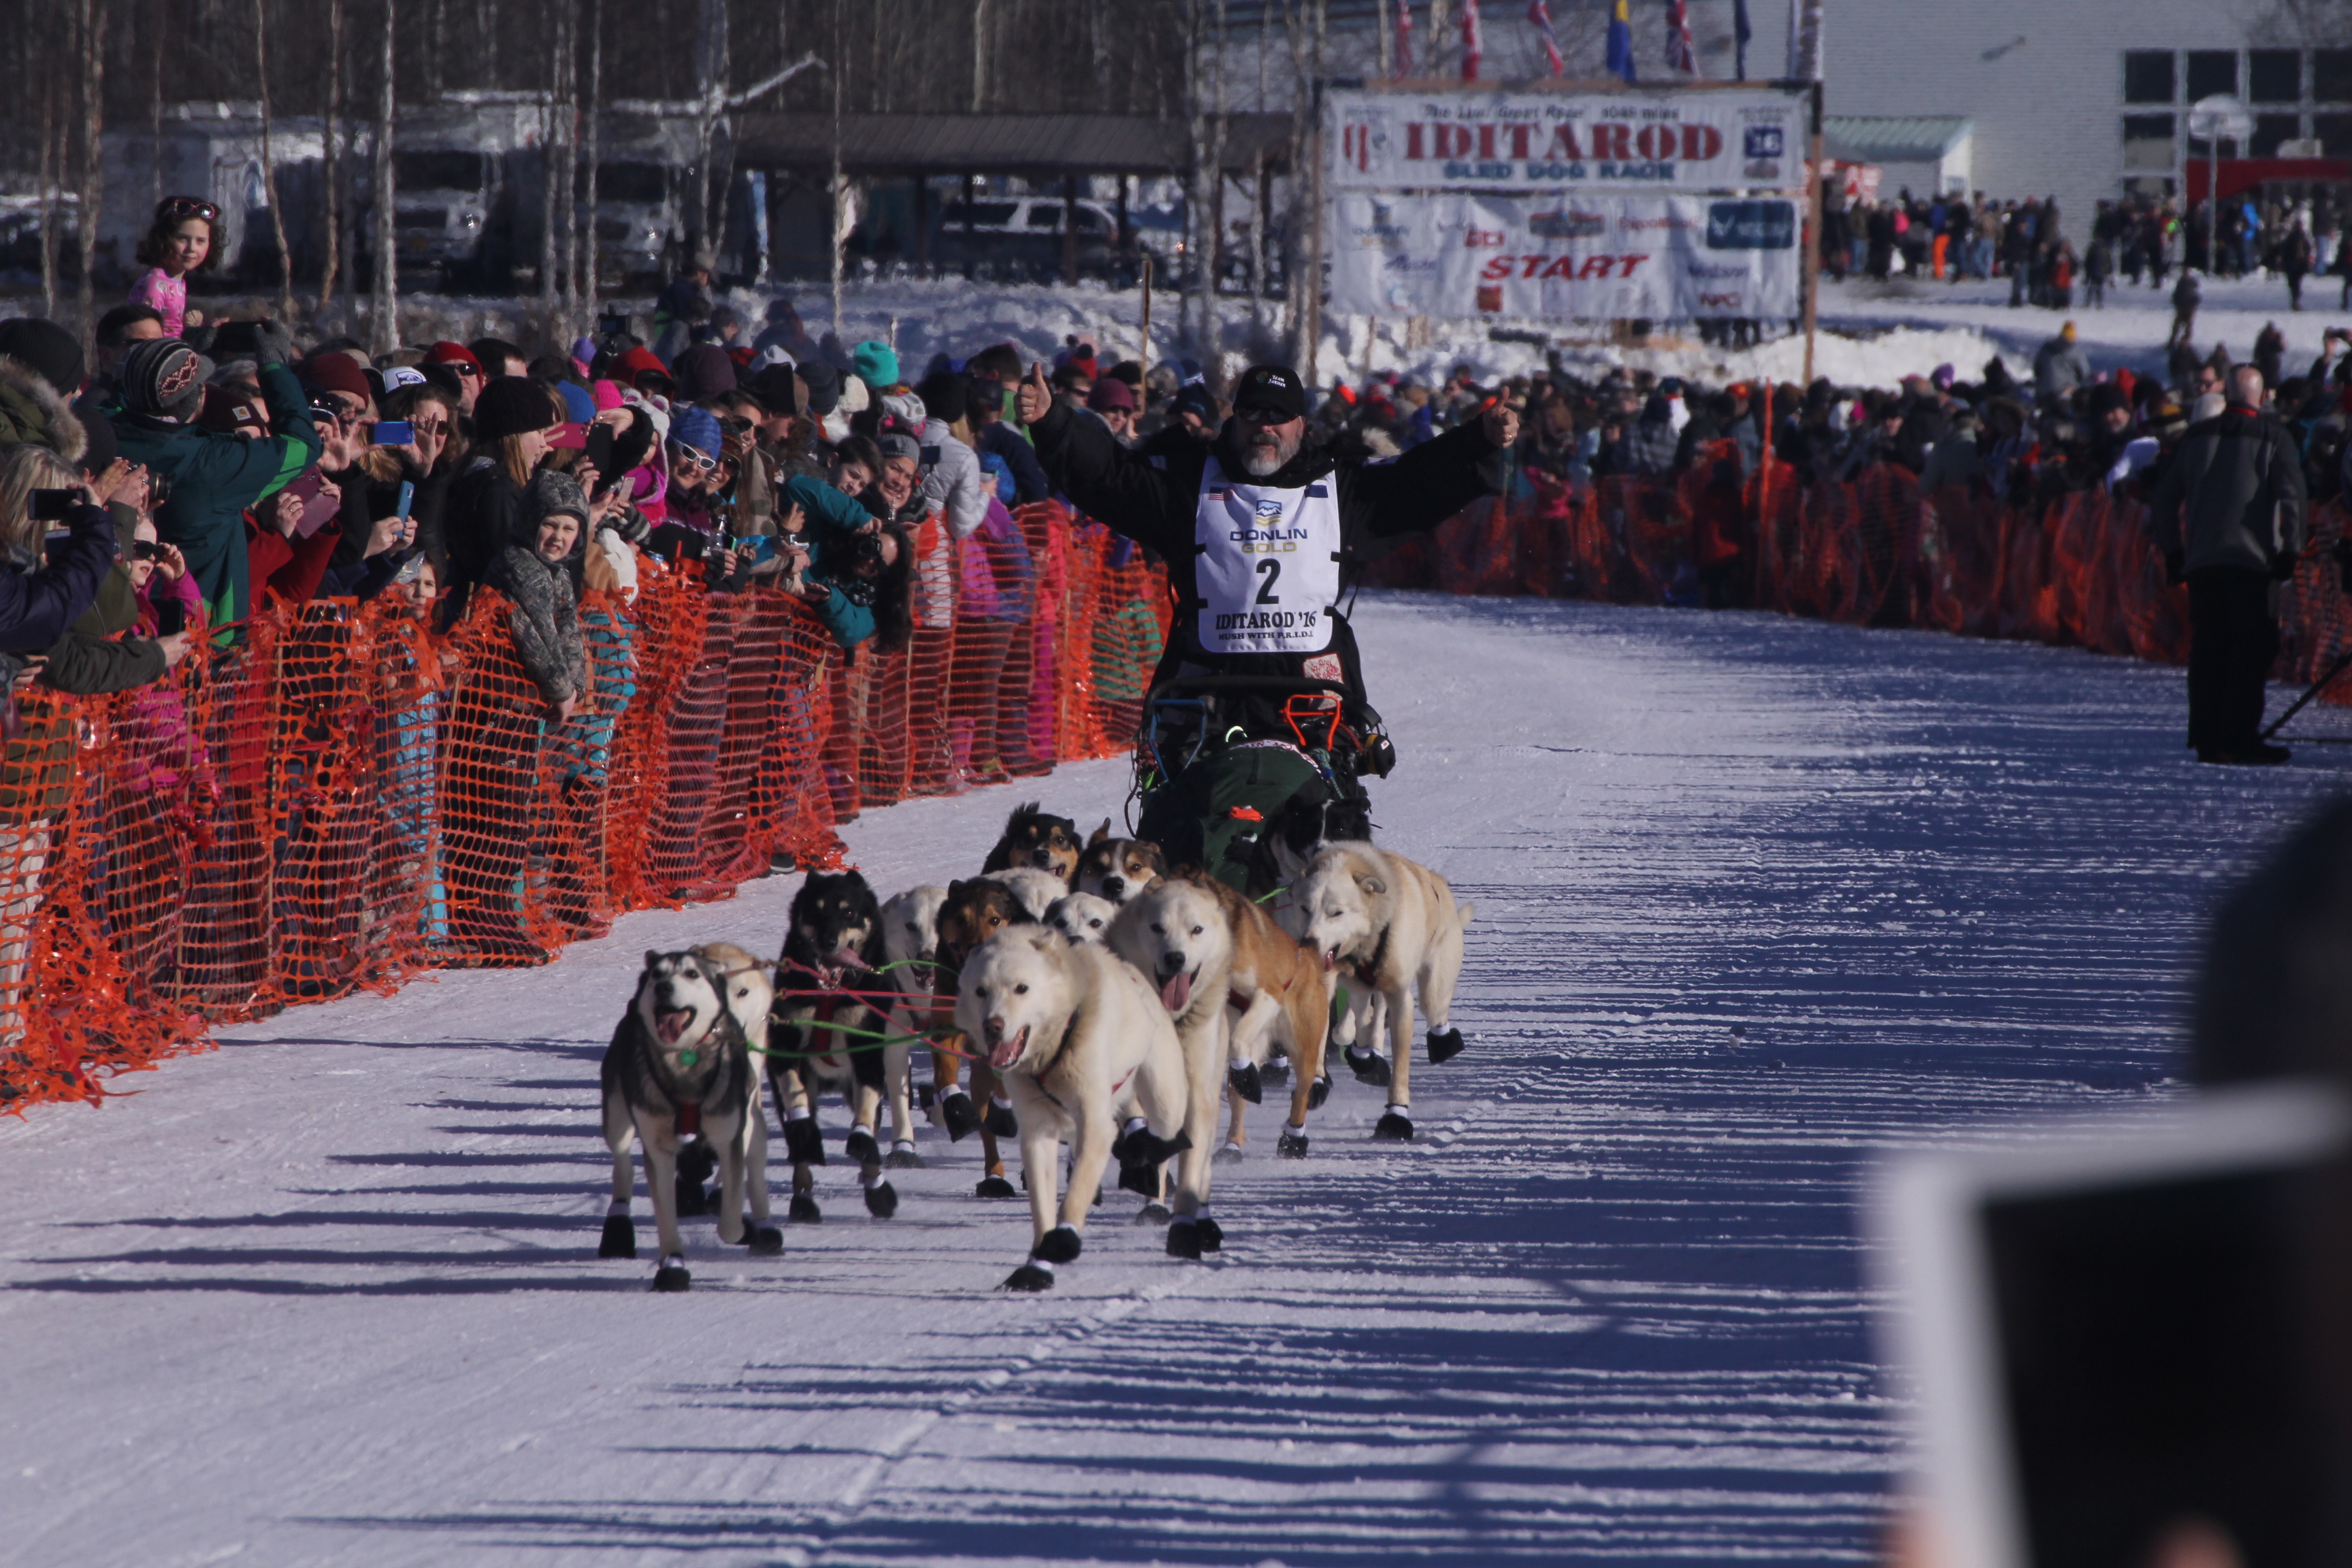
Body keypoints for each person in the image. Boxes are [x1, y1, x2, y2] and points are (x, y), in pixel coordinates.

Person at [1024, 358, 1513, 704]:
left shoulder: (1340, 489)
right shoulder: (1191, 485)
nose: (1265, 426)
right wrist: (1054, 422)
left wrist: (1480, 442)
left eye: (1279, 415)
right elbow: (1111, 477)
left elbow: (1418, 480)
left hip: (1311, 681)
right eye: (1253, 413)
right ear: (1234, 421)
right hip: (1208, 679)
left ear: (1302, 425)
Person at [2149, 365, 2307, 766]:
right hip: (2253, 564)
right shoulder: (2274, 438)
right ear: (2260, 397)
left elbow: (2163, 498)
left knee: (2208, 651)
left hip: (2202, 562)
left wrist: (2173, 549)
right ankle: (2238, 738)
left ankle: (2206, 736)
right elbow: (2292, 497)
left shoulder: (2196, 437)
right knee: (2248, 652)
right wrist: (2291, 549)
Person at [108, 330, 319, 629]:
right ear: (193, 397)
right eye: (199, 385)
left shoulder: (102, 438)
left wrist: (177, 356)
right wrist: (273, 365)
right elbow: (304, 447)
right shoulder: (214, 463)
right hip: (202, 633)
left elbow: (128, 400)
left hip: (116, 616)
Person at [127, 196, 220, 339]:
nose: (191, 248)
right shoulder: (156, 284)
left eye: (200, 241)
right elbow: (145, 336)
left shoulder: (177, 282)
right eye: (182, 239)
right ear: (163, 240)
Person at [2033, 322, 2091, 404]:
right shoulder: (2077, 354)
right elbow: (2084, 374)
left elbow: (2036, 370)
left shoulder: (2046, 349)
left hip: (2044, 394)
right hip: (2066, 396)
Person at [2169, 270, 2202, 352]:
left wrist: (2193, 305)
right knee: (2177, 325)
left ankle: (2185, 343)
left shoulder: (2193, 284)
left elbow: (2197, 296)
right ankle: (2172, 341)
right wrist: (2177, 304)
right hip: (2181, 307)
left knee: (2188, 326)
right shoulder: (2180, 283)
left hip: (2190, 307)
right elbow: (2175, 296)